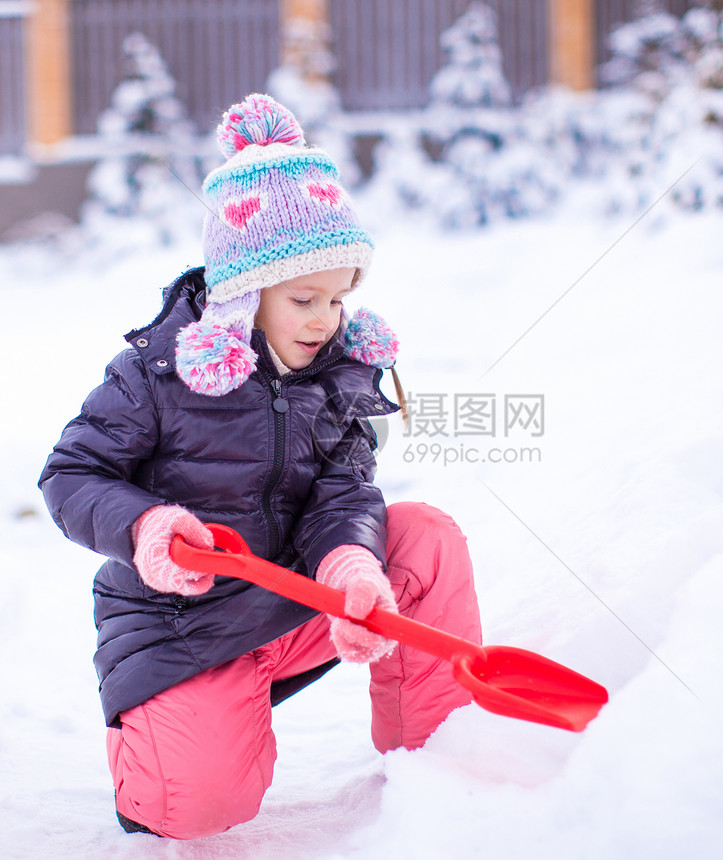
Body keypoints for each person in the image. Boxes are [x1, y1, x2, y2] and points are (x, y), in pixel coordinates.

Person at [38, 94, 482, 840]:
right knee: (197, 813)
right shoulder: (155, 375)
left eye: (340, 299)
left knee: (424, 537)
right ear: (244, 296)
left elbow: (346, 490)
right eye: (304, 298)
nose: (325, 319)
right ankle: (164, 745)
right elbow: (69, 476)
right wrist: (148, 525)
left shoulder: (336, 373)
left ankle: (437, 758)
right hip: (184, 627)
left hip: (288, 602)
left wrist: (350, 565)